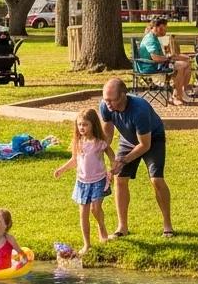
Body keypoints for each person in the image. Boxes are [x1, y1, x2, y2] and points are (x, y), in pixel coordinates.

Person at [99, 77, 173, 238]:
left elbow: (145, 145)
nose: (109, 104)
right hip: (128, 139)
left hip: (152, 138)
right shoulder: (105, 106)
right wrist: (97, 154)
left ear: (124, 95)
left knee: (156, 180)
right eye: (106, 100)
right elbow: (107, 136)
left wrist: (123, 160)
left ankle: (167, 225)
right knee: (120, 178)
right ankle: (122, 228)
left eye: (112, 100)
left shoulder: (139, 109)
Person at [54, 108, 114, 256]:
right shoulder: (78, 142)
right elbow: (74, 160)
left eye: (85, 124)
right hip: (82, 182)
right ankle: (87, 244)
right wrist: (62, 169)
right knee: (83, 213)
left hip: (98, 180)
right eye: (80, 124)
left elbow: (112, 155)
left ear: (93, 124)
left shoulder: (99, 143)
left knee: (95, 209)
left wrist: (113, 169)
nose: (82, 128)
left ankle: (102, 228)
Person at [137, 17, 191, 105]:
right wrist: (169, 58)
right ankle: (177, 96)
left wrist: (170, 57)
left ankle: (179, 93)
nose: (165, 30)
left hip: (156, 65)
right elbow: (155, 58)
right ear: (156, 27)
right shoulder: (150, 39)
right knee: (181, 66)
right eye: (164, 28)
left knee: (187, 63)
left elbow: (158, 56)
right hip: (152, 67)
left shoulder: (153, 37)